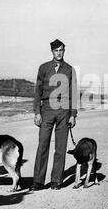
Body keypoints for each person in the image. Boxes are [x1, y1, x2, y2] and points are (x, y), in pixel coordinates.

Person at [30, 39, 77, 191]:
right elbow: (37, 91)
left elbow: (73, 93)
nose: (59, 53)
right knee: (43, 144)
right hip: (47, 110)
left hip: (63, 110)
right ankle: (38, 181)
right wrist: (37, 112)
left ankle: (56, 180)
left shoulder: (69, 69)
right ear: (52, 52)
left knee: (60, 147)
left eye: (61, 50)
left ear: (64, 51)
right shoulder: (43, 68)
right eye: (56, 50)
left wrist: (73, 114)